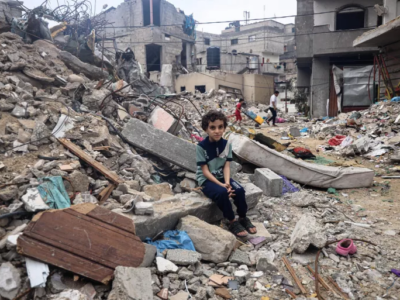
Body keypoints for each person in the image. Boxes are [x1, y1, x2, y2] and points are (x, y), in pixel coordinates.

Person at [196, 111, 257, 237]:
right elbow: (205, 171)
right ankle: (232, 221)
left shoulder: (227, 145)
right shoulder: (201, 147)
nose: (217, 131)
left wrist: (227, 182)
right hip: (207, 180)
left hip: (223, 177)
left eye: (220, 127)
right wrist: (221, 185)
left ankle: (242, 217)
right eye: (212, 127)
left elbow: (227, 166)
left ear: (224, 128)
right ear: (205, 129)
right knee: (222, 192)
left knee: (239, 190)